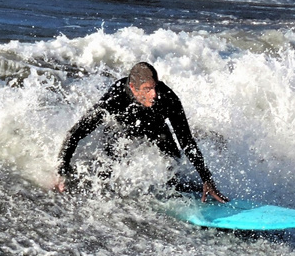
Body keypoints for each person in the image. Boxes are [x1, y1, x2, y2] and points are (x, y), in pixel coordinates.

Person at [54, 61, 226, 202]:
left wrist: (206, 177)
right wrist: (61, 172)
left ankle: (196, 190)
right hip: (121, 132)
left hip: (156, 130)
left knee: (174, 168)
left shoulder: (168, 98)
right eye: (147, 89)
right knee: (105, 172)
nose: (155, 95)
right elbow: (75, 133)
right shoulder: (116, 97)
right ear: (133, 88)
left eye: (155, 87)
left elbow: (187, 141)